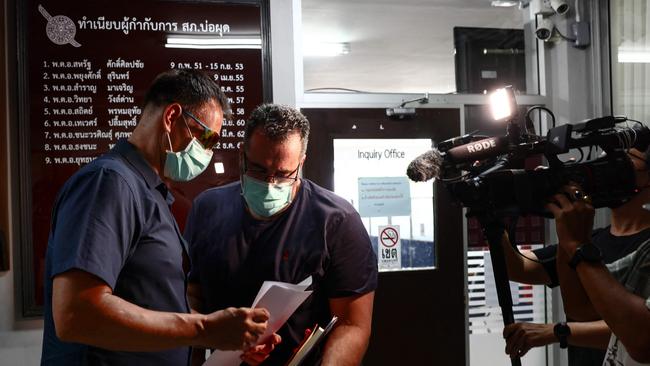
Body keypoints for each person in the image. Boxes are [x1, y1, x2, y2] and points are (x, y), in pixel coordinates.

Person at [41, 69, 272, 366]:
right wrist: (203, 329)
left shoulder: (151, 193)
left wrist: (224, 336)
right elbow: (76, 313)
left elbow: (150, 303)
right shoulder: (109, 183)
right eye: (206, 138)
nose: (208, 153)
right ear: (171, 117)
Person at [184, 104, 378, 366]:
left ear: (301, 163)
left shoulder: (337, 221)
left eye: (284, 174)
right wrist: (213, 334)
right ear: (242, 156)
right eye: (259, 170)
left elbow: (352, 325)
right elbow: (190, 294)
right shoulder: (207, 209)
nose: (270, 183)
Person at [500, 148, 650, 364]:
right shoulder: (590, 238)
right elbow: (519, 267)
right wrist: (494, 220)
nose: (609, 170)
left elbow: (638, 333)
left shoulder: (641, 248)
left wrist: (557, 332)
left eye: (625, 163)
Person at [549, 182, 650, 365]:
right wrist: (568, 229)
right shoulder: (646, 252)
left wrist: (577, 245)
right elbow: (581, 307)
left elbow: (642, 340)